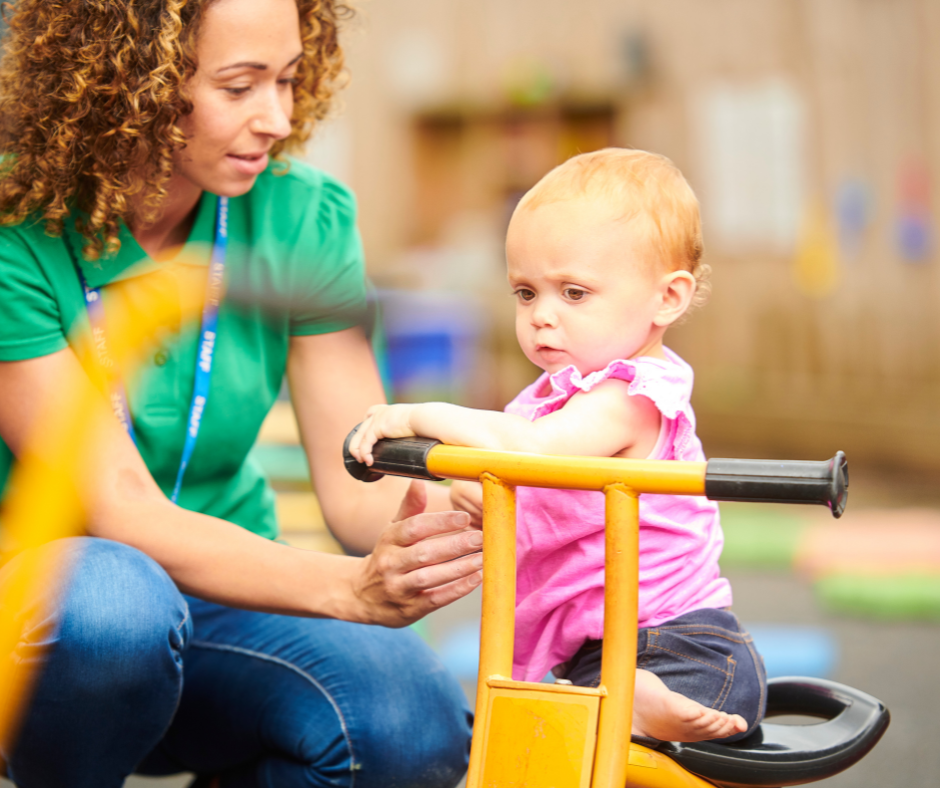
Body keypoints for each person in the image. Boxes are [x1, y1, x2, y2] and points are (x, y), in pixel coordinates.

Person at [0, 1, 479, 786]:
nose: (278, 118)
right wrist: (348, 592)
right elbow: (119, 509)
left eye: (288, 80)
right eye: (239, 86)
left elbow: (362, 488)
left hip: (230, 592)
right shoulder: (13, 226)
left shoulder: (304, 216)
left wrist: (462, 509)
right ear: (131, 84)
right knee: (114, 606)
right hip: (48, 610)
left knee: (410, 719)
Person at [350, 148, 767, 744]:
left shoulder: (635, 396)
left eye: (573, 293)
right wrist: (458, 493)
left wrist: (420, 413)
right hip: (599, 655)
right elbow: (516, 475)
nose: (542, 316)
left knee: (559, 740)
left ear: (667, 298)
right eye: (525, 293)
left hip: (684, 652)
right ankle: (619, 701)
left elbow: (531, 453)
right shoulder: (551, 399)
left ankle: (634, 704)